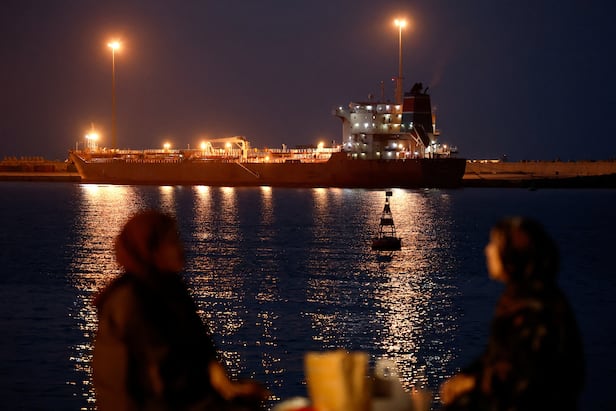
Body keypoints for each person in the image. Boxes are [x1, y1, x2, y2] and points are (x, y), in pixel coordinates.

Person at [92, 210, 269, 411]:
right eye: (172, 243)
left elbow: (200, 348)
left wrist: (229, 387)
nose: (181, 249)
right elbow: (160, 374)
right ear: (152, 249)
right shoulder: (130, 300)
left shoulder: (171, 289)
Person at [440, 217, 585, 411]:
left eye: (494, 245)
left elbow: (525, 375)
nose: (487, 251)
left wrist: (472, 383)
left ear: (512, 255)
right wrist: (466, 376)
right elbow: (497, 356)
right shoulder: (521, 299)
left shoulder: (533, 309)